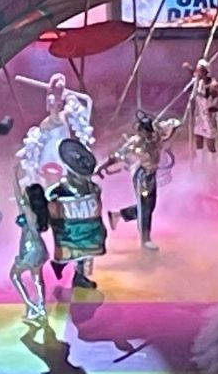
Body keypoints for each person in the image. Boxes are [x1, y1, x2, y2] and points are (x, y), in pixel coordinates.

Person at [100, 111, 182, 251]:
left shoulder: (157, 135)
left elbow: (174, 124)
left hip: (151, 174)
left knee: (149, 206)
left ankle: (117, 215)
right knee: (145, 207)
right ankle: (145, 239)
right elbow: (118, 155)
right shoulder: (136, 142)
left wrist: (171, 128)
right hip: (142, 175)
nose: (147, 134)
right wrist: (102, 167)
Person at [46, 139, 107, 290]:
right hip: (69, 232)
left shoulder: (92, 188)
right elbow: (50, 204)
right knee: (69, 252)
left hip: (88, 231)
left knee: (85, 253)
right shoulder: (58, 190)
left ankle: (80, 277)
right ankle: (59, 265)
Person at [10, 173, 51, 322]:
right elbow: (18, 197)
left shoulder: (29, 212)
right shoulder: (38, 213)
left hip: (29, 247)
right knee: (37, 278)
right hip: (39, 247)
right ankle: (41, 307)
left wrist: (14, 176)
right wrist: (14, 178)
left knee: (14, 276)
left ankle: (30, 305)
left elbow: (20, 199)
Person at [186, 59, 218, 160]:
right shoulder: (198, 81)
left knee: (210, 143)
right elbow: (194, 74)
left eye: (199, 71)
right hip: (199, 115)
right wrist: (189, 68)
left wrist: (217, 108)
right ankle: (200, 163)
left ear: (206, 72)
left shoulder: (213, 85)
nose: (197, 73)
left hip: (209, 117)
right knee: (198, 139)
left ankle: (212, 164)